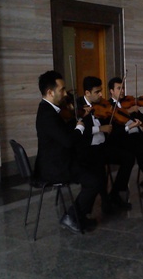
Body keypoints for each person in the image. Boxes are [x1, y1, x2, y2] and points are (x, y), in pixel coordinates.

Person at [35, 70, 102, 234]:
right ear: (50, 92)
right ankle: (71, 216)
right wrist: (79, 127)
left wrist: (77, 120)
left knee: (94, 172)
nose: (65, 93)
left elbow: (62, 132)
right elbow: (68, 141)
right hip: (55, 167)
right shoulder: (47, 114)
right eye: (62, 89)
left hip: (60, 160)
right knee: (94, 181)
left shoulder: (50, 110)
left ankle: (79, 216)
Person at [77, 76, 135, 211]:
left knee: (129, 157)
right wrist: (99, 129)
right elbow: (79, 131)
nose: (101, 95)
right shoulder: (78, 106)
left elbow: (111, 124)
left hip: (103, 146)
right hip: (88, 149)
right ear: (87, 93)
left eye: (101, 91)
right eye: (97, 92)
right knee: (99, 170)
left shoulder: (102, 105)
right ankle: (105, 203)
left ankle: (115, 193)